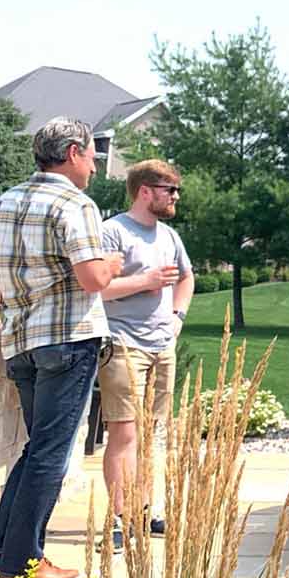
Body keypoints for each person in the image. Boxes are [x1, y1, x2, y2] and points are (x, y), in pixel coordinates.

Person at [0, 117, 124, 578]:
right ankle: (26, 563)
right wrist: (112, 262)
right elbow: (93, 278)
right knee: (50, 456)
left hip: (20, 347)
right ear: (73, 152)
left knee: (37, 451)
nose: (95, 165)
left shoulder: (3, 203)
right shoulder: (76, 204)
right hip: (67, 343)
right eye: (93, 154)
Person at [96, 160, 194, 552]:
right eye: (169, 189)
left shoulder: (168, 236)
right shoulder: (113, 231)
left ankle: (142, 511)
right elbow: (97, 288)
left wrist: (178, 317)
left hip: (161, 346)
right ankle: (119, 519)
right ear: (144, 191)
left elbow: (187, 277)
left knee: (150, 434)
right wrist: (147, 282)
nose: (175, 197)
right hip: (122, 343)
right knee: (124, 432)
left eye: (175, 190)